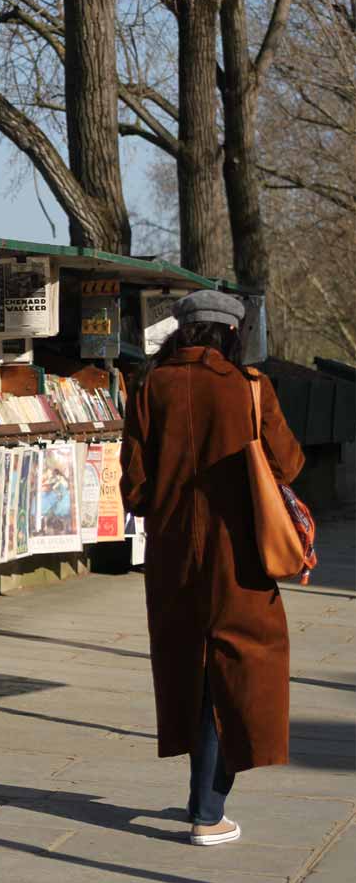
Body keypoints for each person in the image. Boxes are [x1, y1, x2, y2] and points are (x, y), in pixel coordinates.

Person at [120, 291, 304, 846]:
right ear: (229, 333)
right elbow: (288, 463)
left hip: (172, 552)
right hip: (239, 553)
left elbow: (135, 490)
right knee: (241, 667)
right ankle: (207, 811)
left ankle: (201, 798)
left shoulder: (151, 386)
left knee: (188, 667)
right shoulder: (248, 386)